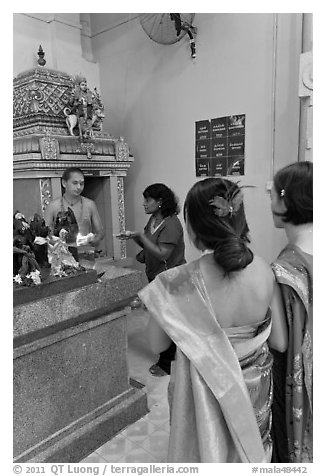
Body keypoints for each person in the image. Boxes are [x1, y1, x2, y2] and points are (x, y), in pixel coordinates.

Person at [138, 178, 274, 462]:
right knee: (249, 452)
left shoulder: (176, 283)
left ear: (193, 230)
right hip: (254, 391)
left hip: (204, 398)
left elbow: (155, 344)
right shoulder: (264, 269)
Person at [268, 161, 313, 463]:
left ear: (287, 201)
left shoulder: (285, 270)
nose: (270, 201)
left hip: (300, 384)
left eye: (273, 194)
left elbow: (281, 344)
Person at [120, 183, 186, 377]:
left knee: (167, 321)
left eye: (147, 200)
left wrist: (140, 236)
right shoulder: (153, 219)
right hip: (155, 276)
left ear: (160, 202)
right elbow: (149, 243)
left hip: (170, 278)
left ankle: (166, 363)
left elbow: (163, 253)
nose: (143, 204)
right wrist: (133, 237)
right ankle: (170, 356)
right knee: (161, 318)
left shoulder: (171, 223)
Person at [44, 167, 104, 266]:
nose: (79, 187)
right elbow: (45, 234)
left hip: (85, 255)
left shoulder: (90, 204)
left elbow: (100, 232)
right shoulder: (53, 206)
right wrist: (58, 241)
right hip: (62, 257)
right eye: (75, 183)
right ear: (64, 183)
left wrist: (92, 240)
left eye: (81, 183)